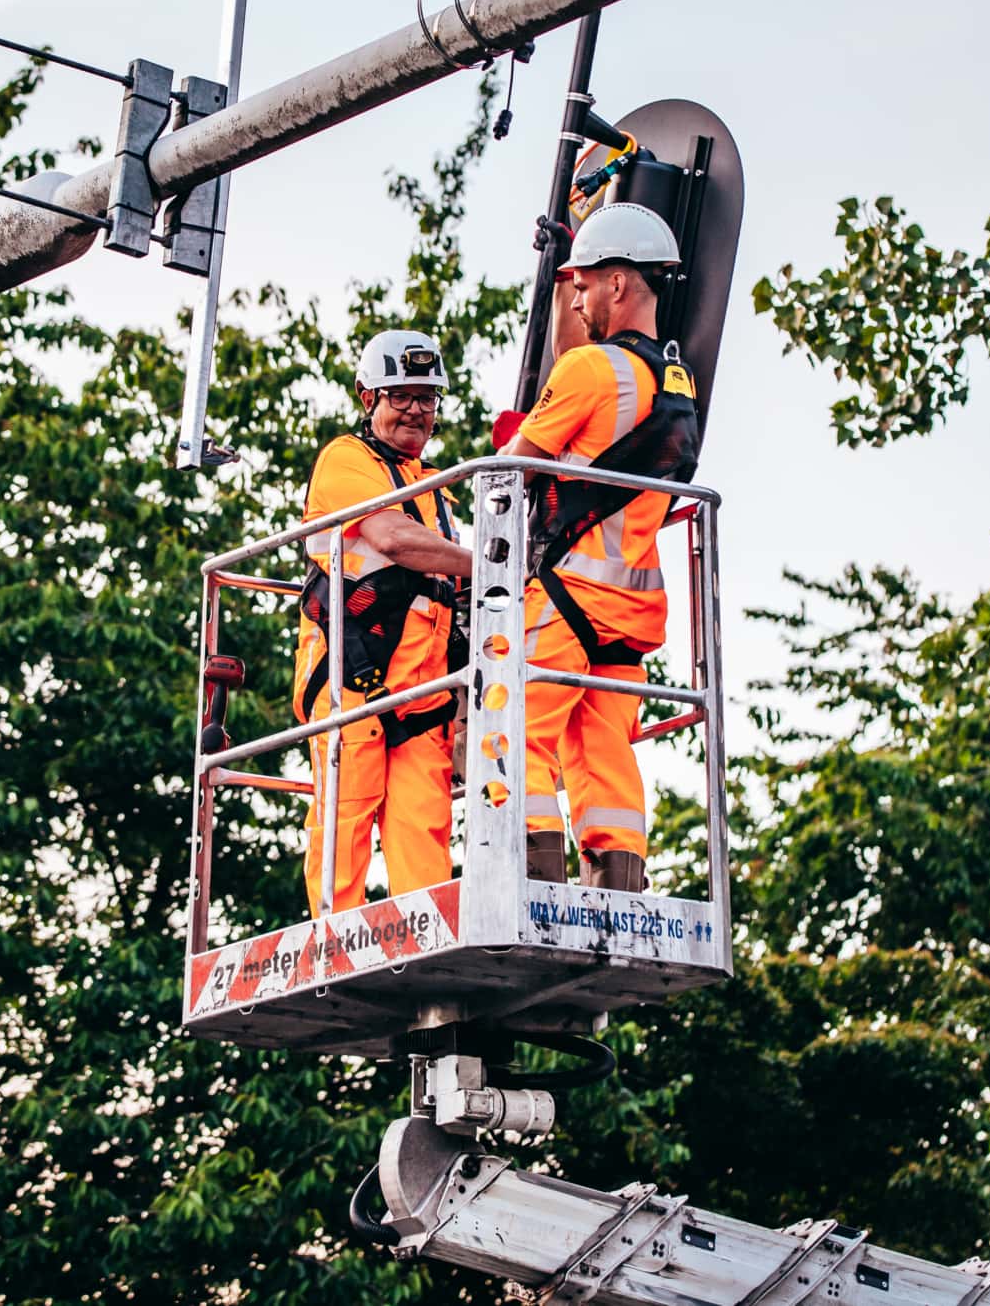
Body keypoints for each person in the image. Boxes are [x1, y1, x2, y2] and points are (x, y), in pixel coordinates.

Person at [505, 202, 699, 894]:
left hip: (566, 602)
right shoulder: (676, 386)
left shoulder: (589, 373)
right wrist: (562, 277)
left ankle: (528, 879)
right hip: (630, 613)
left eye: (586, 285)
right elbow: (578, 366)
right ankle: (617, 883)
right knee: (602, 752)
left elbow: (513, 467)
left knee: (513, 732)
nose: (580, 299)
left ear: (618, 284)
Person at [293, 330, 475, 914]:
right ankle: (329, 947)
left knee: (424, 832)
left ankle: (428, 949)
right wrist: (492, 562)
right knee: (344, 822)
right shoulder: (345, 461)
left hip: (423, 694)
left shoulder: (435, 489)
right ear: (367, 396)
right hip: (354, 682)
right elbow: (394, 540)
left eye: (428, 397)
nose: (417, 410)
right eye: (402, 395)